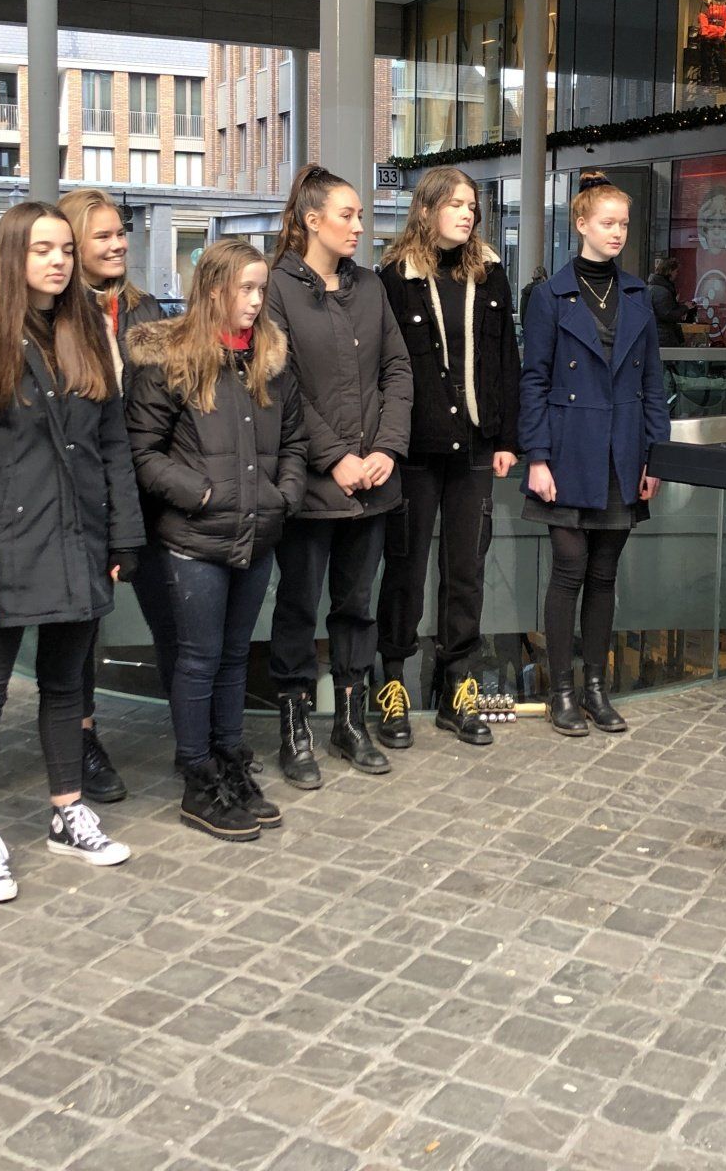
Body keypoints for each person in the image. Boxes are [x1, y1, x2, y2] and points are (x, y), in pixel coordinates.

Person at [0, 201, 145, 902]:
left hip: (78, 535)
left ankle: (67, 811)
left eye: (64, 249)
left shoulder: (85, 329)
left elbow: (113, 444)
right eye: (42, 250)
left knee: (66, 684)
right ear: (13, 256)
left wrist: (124, 534)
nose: (58, 261)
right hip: (8, 541)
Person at [126, 239, 306, 838]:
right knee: (199, 660)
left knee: (233, 657)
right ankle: (198, 778)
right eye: (245, 289)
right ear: (212, 290)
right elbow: (143, 452)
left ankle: (230, 762)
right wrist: (201, 495)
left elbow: (295, 441)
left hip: (257, 532)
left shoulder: (270, 360)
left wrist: (283, 496)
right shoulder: (172, 361)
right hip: (194, 540)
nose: (256, 301)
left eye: (261, 289)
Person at [267, 165, 414, 788]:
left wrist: (387, 449)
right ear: (312, 220)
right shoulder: (276, 288)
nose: (359, 225)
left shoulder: (370, 286)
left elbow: (398, 370)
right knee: (299, 606)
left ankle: (350, 723)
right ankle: (294, 728)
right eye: (348, 215)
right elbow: (282, 386)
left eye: (360, 215)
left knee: (357, 608)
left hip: (374, 482)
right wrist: (335, 458)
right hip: (312, 484)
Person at [518, 171, 669, 735]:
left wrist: (656, 458)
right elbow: (533, 380)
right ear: (580, 223)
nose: (617, 233)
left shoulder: (637, 294)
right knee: (569, 570)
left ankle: (596, 690)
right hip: (566, 451)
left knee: (604, 575)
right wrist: (537, 457)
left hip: (623, 450)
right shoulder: (549, 295)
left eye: (623, 224)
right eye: (607, 223)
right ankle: (561, 693)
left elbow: (653, 381)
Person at [375, 168, 521, 747]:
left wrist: (507, 439)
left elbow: (506, 361)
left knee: (466, 571)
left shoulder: (490, 273)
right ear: (426, 209)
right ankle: (392, 682)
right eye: (456, 204)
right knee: (405, 570)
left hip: (478, 445)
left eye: (472, 205)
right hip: (414, 446)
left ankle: (455, 685)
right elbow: (383, 371)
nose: (467, 213)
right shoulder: (395, 277)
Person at [59, 187, 170, 803]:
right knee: (79, 631)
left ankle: (200, 739)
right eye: (102, 236)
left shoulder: (144, 308)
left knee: (173, 619)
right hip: (80, 492)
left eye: (120, 233)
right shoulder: (55, 312)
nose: (117, 244)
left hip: (144, 488)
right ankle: (80, 739)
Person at [647, 256, 696, 349]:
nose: (677, 274)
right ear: (670, 271)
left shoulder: (652, 288)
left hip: (656, 335)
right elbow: (668, 314)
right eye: (676, 271)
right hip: (663, 337)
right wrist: (685, 307)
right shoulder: (662, 291)